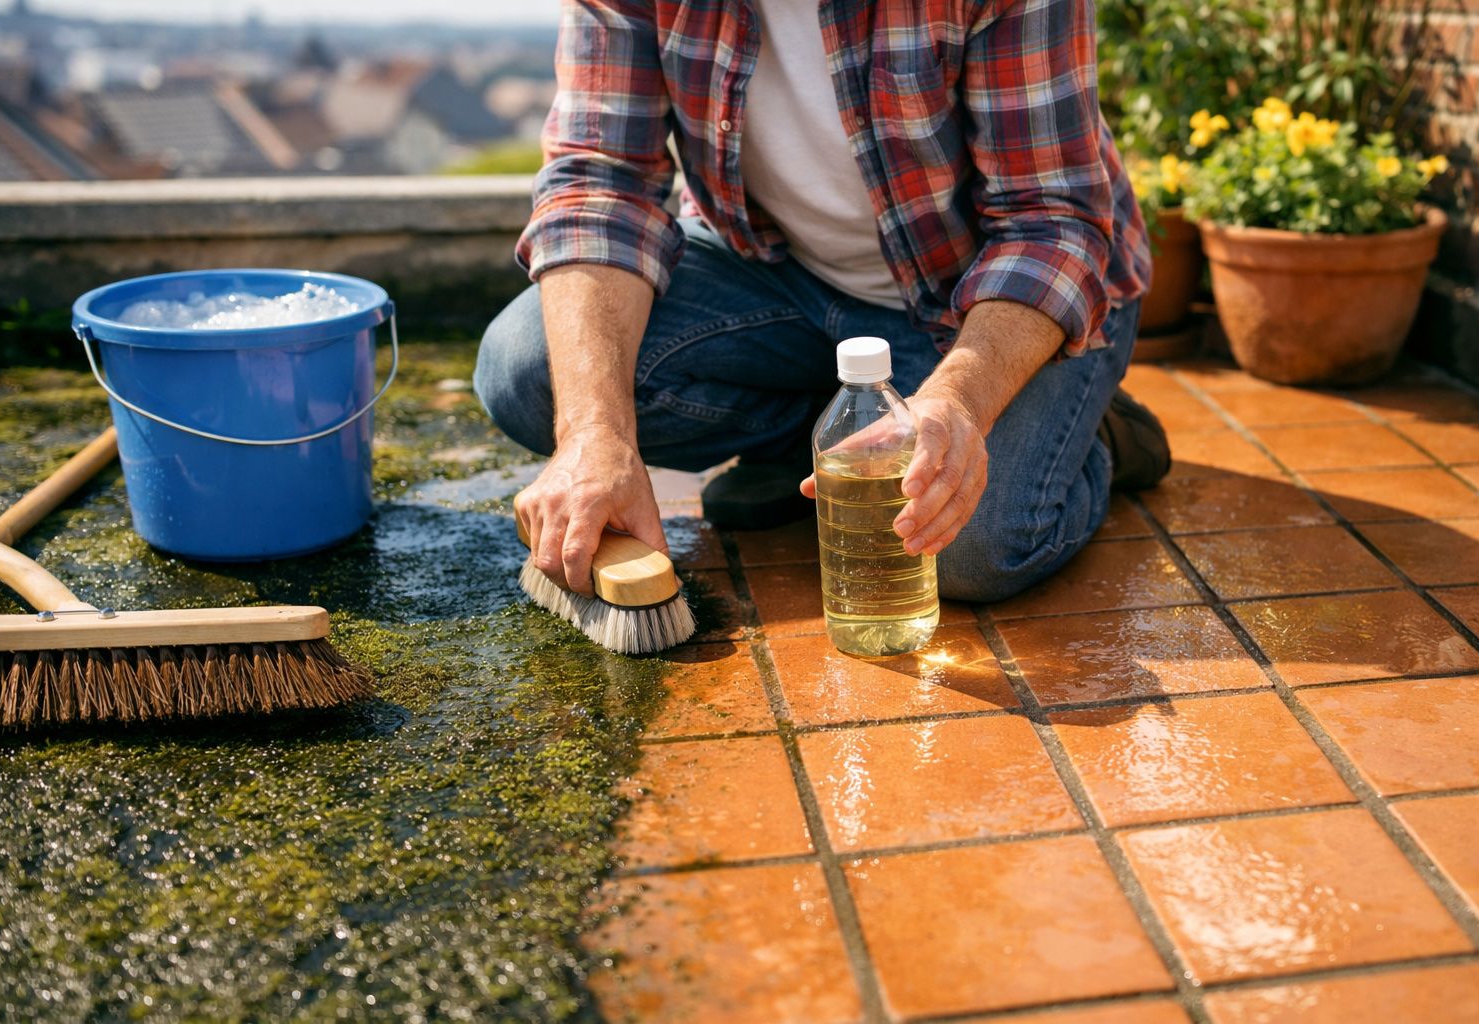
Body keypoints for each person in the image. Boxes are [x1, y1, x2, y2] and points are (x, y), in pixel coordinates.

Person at [475, 0, 1170, 605]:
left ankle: (1091, 432)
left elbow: (1048, 223)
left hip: (996, 300)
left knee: (960, 550)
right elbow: (602, 187)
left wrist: (959, 404)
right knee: (531, 372)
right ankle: (836, 433)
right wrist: (594, 438)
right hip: (782, 273)